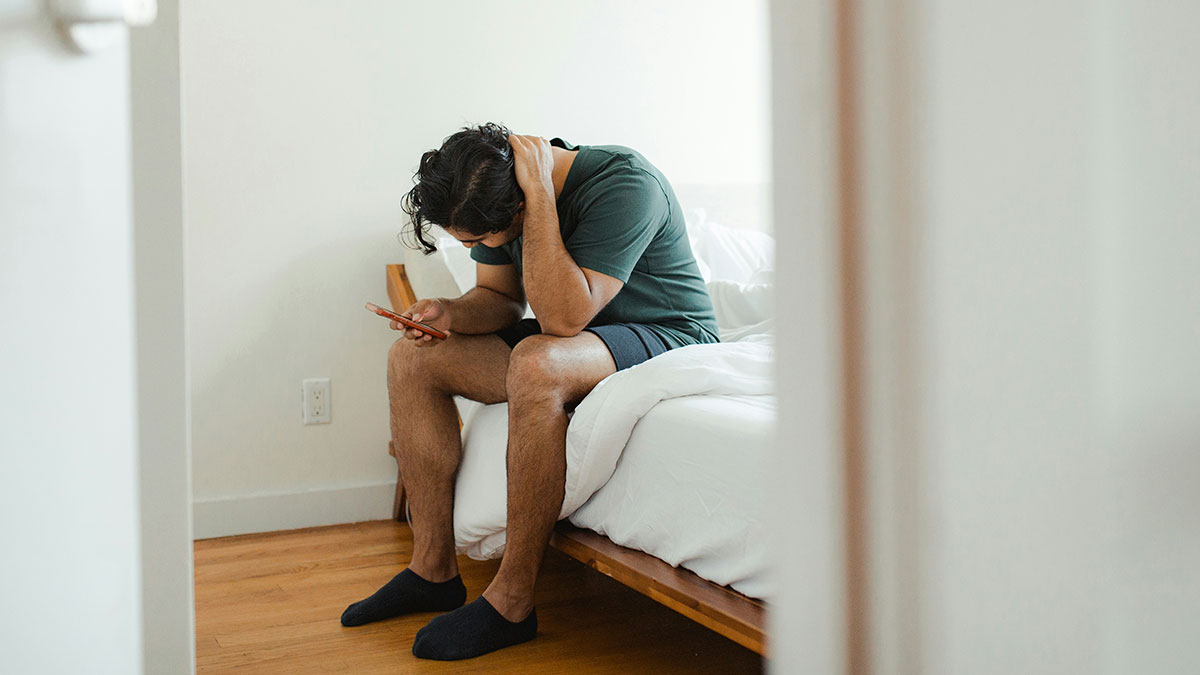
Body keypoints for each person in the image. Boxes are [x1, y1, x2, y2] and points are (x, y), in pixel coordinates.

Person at [340, 122, 720, 660]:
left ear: (517, 209)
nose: (472, 248)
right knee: (414, 359)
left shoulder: (624, 183)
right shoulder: (491, 184)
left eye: (475, 242)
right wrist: (448, 313)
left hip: (667, 335)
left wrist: (540, 198)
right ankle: (432, 570)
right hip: (583, 337)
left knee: (538, 363)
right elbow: (499, 300)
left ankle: (513, 600)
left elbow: (562, 318)